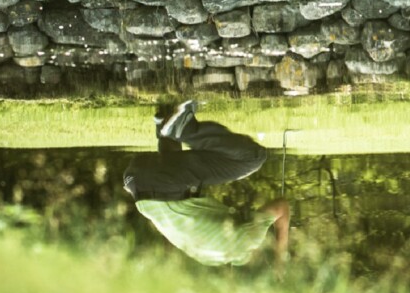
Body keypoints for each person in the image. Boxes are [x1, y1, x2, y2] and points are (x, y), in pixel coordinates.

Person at [122, 100, 291, 268]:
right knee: (188, 186)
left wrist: (280, 255)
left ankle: (183, 127)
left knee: (253, 158)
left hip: (164, 184)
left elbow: (281, 207)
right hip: (134, 180)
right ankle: (165, 125)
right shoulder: (206, 256)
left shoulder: (244, 247)